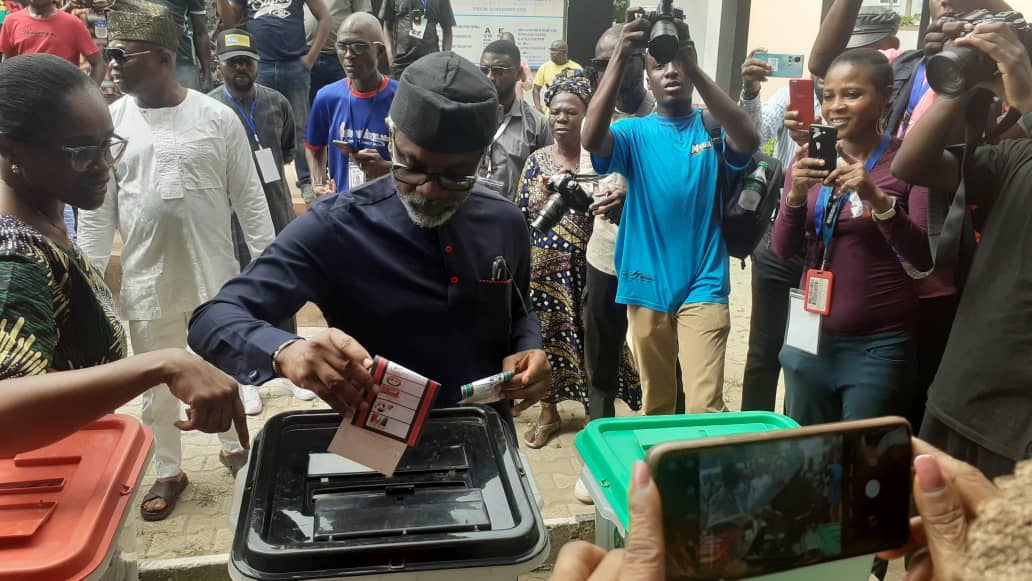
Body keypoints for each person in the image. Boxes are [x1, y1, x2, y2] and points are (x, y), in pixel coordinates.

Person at [189, 51, 550, 431]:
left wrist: (528, 345)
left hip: (485, 435)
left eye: (455, 176)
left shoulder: (504, 221)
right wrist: (285, 350)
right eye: (411, 166)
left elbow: (518, 309)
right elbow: (212, 318)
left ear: (482, 159)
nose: (428, 191)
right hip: (374, 445)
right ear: (392, 137)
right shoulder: (335, 227)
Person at [75, 1, 275, 521]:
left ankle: (238, 456)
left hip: (217, 283)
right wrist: (90, 286)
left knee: (223, 374)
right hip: (149, 282)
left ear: (162, 57)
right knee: (155, 386)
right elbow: (98, 218)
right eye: (107, 52)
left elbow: (250, 199)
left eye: (121, 53)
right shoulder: (111, 122)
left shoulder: (216, 116)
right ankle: (169, 469)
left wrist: (271, 275)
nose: (110, 63)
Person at [0, 53, 246, 459]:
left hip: (74, 459)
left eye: (107, 145)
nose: (104, 165)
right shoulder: (15, 256)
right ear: (11, 149)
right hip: (38, 485)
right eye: (81, 151)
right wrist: (160, 364)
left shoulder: (48, 213)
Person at [809, 0, 1011, 432]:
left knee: (910, 413)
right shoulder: (907, 64)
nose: (945, 6)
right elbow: (825, 67)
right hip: (871, 275)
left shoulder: (993, 68)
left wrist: (975, 70)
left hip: (939, 266)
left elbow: (952, 156)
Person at [583, 17, 759, 417]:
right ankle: (662, 476)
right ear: (646, 76)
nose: (671, 71)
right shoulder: (633, 134)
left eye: (678, 62)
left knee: (704, 406)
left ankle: (700, 476)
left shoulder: (711, 129)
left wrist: (694, 66)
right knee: (658, 403)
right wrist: (619, 58)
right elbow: (592, 138)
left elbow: (748, 139)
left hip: (705, 280)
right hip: (646, 281)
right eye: (659, 65)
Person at [890, 21, 1032, 480]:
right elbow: (912, 163)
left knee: (999, 553)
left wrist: (1027, 95)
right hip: (956, 397)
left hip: (1017, 431)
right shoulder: (1018, 157)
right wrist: (961, 84)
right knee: (930, 548)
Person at [771, 49, 932, 426]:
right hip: (808, 340)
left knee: (864, 469)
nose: (836, 107)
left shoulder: (908, 161)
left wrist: (876, 198)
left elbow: (923, 257)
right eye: (828, 95)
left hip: (876, 348)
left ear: (886, 97)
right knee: (806, 459)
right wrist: (795, 197)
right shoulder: (808, 160)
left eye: (852, 95)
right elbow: (782, 249)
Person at [517, 70, 612, 450]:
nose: (560, 119)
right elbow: (521, 213)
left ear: (588, 116)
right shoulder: (536, 161)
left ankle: (595, 417)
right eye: (555, 112)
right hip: (543, 274)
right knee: (548, 341)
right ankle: (548, 411)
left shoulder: (601, 164)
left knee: (593, 343)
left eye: (570, 113)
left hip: (591, 271)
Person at [209, 28, 302, 414]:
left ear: (257, 65)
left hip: (277, 210)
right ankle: (245, 377)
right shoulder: (210, 108)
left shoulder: (277, 102)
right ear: (219, 68)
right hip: (229, 218)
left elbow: (285, 152)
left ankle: (293, 369)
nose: (240, 68)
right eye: (232, 63)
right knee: (239, 291)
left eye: (246, 61)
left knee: (284, 288)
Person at [581, 24, 646, 424]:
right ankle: (598, 445)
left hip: (654, 259)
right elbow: (587, 176)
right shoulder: (595, 111)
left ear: (643, 61)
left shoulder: (666, 109)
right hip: (605, 255)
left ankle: (665, 448)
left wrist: (632, 200)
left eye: (624, 59)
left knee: (662, 356)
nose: (614, 71)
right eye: (605, 63)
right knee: (601, 361)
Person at [218, 0, 331, 203]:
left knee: (300, 127)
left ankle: (306, 181)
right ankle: (268, 182)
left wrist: (310, 58)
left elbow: (325, 16)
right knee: (261, 127)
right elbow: (230, 22)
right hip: (260, 66)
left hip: (294, 65)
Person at [306, 11, 394, 197]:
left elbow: (420, 167)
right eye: (342, 46)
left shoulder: (400, 98)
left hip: (389, 208)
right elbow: (314, 147)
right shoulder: (327, 97)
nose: (348, 55)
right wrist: (319, 182)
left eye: (358, 47)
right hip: (344, 209)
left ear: (379, 50)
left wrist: (387, 169)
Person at [479, 39, 551, 201]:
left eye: (498, 70)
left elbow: (547, 177)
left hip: (512, 219)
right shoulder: (466, 114)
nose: (490, 77)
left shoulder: (537, 124)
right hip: (468, 216)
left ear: (519, 74)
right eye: (484, 70)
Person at [0, 0, 105, 84]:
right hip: (24, 99)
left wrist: (89, 95)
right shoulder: (11, 21)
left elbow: (99, 63)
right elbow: (6, 64)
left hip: (62, 101)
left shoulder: (73, 24)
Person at [304, 0, 372, 102]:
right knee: (308, 108)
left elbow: (363, 19)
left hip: (340, 57)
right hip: (307, 54)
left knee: (342, 104)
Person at [379, 0, 454, 79]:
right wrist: (391, 59)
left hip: (431, 63)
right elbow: (387, 27)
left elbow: (447, 30)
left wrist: (445, 60)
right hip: (401, 64)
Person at [152, 0, 214, 91]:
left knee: (187, 103)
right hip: (144, 61)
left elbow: (200, 33)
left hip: (182, 62)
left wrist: (207, 75)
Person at [534, 40, 581, 114]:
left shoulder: (576, 68)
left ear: (564, 52)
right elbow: (536, 89)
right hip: (549, 113)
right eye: (551, 50)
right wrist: (538, 107)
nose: (552, 53)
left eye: (555, 50)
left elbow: (582, 92)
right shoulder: (544, 67)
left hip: (570, 113)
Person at [498, 31, 531, 101]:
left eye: (510, 44)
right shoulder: (494, 61)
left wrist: (523, 78)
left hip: (517, 105)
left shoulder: (522, 62)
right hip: (498, 103)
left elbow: (528, 88)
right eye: (504, 44)